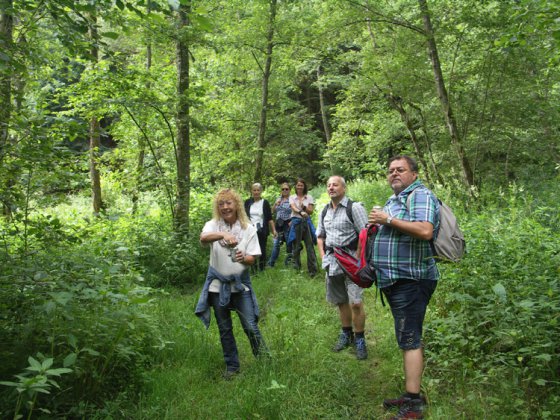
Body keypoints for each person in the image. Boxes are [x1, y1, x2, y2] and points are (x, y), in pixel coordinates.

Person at [368, 155, 440, 419]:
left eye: (400, 170)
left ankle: (414, 405)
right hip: (398, 280)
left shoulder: (419, 195)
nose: (394, 174)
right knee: (406, 337)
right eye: (390, 171)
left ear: (414, 174)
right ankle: (411, 394)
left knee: (410, 339)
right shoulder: (395, 199)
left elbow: (424, 231)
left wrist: (387, 220)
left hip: (412, 279)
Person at [195, 188, 268, 379]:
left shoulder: (248, 228)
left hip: (240, 285)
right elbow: (203, 238)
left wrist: (244, 257)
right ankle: (232, 367)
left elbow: (253, 258)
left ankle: (264, 360)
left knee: (250, 325)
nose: (225, 207)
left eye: (229, 203)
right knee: (225, 329)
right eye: (221, 204)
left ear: (236, 205)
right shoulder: (212, 225)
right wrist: (222, 235)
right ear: (217, 208)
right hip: (217, 286)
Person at [316, 176, 369, 360]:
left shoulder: (354, 208)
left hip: (352, 262)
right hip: (332, 262)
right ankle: (347, 334)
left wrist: (359, 258)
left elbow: (365, 233)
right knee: (340, 301)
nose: (331, 188)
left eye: (335, 185)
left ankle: (360, 339)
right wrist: (323, 256)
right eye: (329, 185)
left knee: (355, 302)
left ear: (344, 188)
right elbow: (320, 236)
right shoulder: (324, 211)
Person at [289, 178, 318, 276]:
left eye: (301, 185)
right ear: (296, 187)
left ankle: (313, 271)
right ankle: (297, 270)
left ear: (304, 186)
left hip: (306, 222)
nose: (300, 187)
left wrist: (304, 207)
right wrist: (301, 211)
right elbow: (292, 207)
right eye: (298, 185)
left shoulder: (309, 197)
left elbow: (310, 211)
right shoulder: (292, 197)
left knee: (309, 246)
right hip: (296, 222)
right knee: (296, 247)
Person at [244, 183, 276, 272]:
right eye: (254, 190)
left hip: (262, 230)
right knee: (251, 250)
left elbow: (269, 218)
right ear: (251, 191)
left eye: (258, 190)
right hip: (250, 230)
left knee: (262, 250)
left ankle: (262, 269)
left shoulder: (264, 202)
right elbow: (244, 216)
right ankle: (253, 271)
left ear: (261, 191)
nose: (256, 192)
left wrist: (274, 230)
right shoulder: (247, 202)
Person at [267, 182, 293, 267]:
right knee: (276, 244)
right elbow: (272, 211)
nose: (284, 190)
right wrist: (275, 204)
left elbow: (296, 211)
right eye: (283, 189)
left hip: (288, 223)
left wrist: (292, 221)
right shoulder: (278, 199)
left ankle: (289, 262)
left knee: (289, 244)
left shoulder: (292, 199)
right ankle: (271, 264)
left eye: (286, 189)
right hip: (278, 224)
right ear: (281, 190)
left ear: (289, 190)